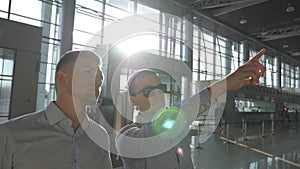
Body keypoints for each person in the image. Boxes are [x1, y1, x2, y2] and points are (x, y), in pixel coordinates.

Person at [116, 48, 266, 169]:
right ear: (133, 100)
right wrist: (225, 83)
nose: (158, 94)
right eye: (148, 90)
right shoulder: (127, 137)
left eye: (160, 88)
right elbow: (161, 126)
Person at [0, 50, 113, 169]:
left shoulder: (100, 136)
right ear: (62, 78)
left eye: (100, 76)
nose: (98, 81)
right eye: (88, 72)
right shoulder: (10, 135)